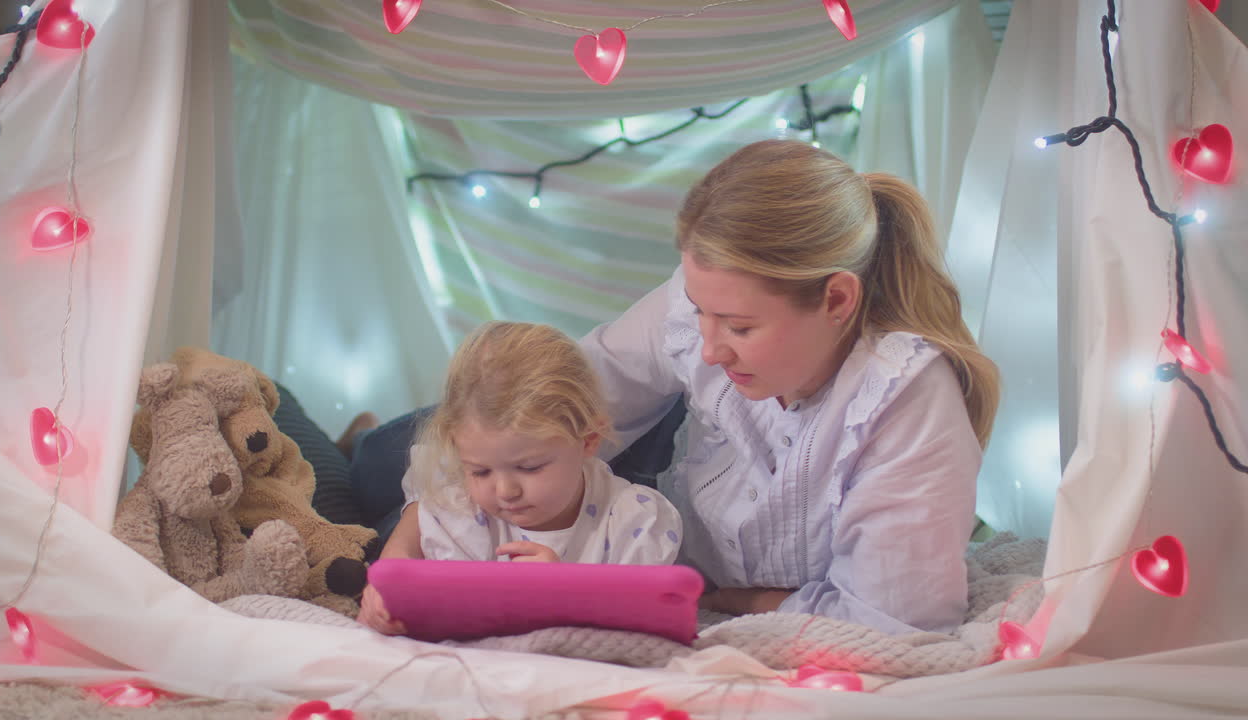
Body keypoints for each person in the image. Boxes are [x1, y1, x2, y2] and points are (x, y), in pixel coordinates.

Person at [347, 139, 999, 636]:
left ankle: (343, 461)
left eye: (740, 326)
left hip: (650, 503)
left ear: (836, 300)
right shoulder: (706, 312)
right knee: (392, 460)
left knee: (379, 522)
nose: (709, 347)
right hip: (638, 440)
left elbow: (887, 621)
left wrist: (718, 598)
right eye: (698, 310)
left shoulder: (905, 404)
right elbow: (570, 388)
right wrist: (417, 521)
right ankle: (349, 441)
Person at [357, 321, 683, 635]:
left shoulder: (634, 521)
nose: (505, 490)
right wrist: (388, 598)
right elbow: (409, 585)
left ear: (588, 439)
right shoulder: (456, 513)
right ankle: (358, 436)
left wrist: (567, 593)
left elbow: (654, 622)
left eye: (529, 468)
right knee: (367, 467)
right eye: (480, 471)